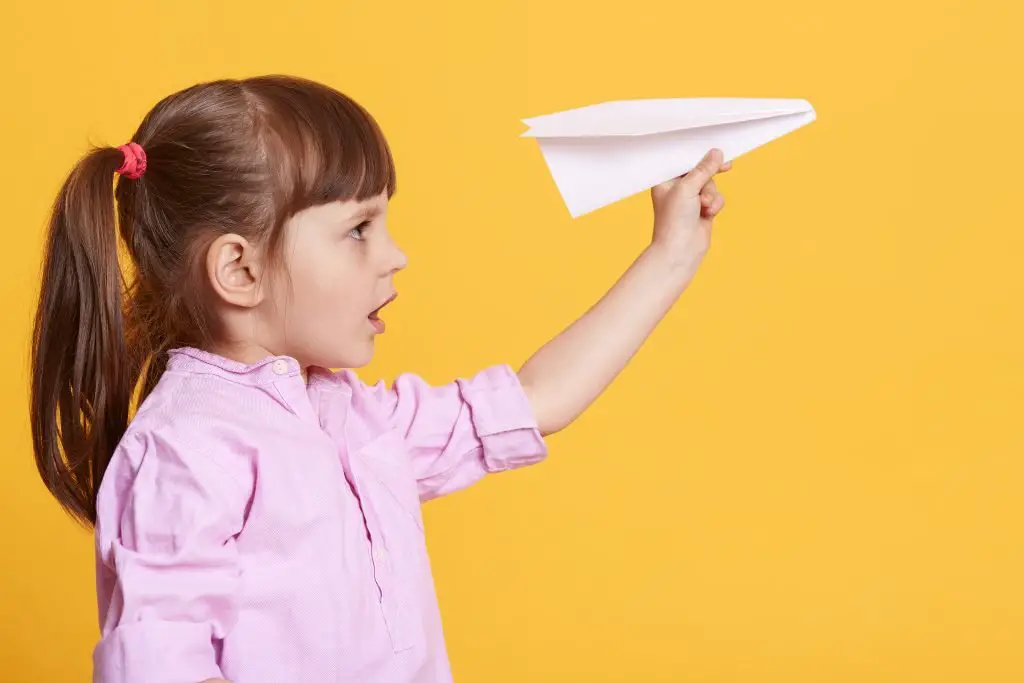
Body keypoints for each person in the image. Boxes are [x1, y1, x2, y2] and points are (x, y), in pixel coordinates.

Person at [29, 75, 730, 683]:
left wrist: (671, 254)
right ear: (239, 270)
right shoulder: (185, 453)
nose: (395, 255)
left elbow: (535, 399)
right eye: (359, 228)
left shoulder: (355, 419)